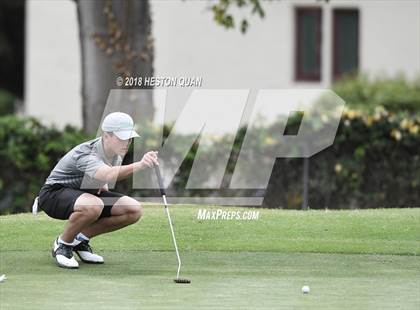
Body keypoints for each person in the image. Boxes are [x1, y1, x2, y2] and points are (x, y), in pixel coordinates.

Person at [37, 112, 158, 269]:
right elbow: (107, 173)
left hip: (85, 195)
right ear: (106, 135)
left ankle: (79, 240)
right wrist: (141, 165)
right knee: (94, 205)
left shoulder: (116, 152)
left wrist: (101, 183)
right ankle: (63, 244)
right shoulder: (86, 152)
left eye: (129, 138)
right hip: (53, 195)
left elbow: (105, 177)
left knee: (133, 210)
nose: (127, 142)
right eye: (122, 137)